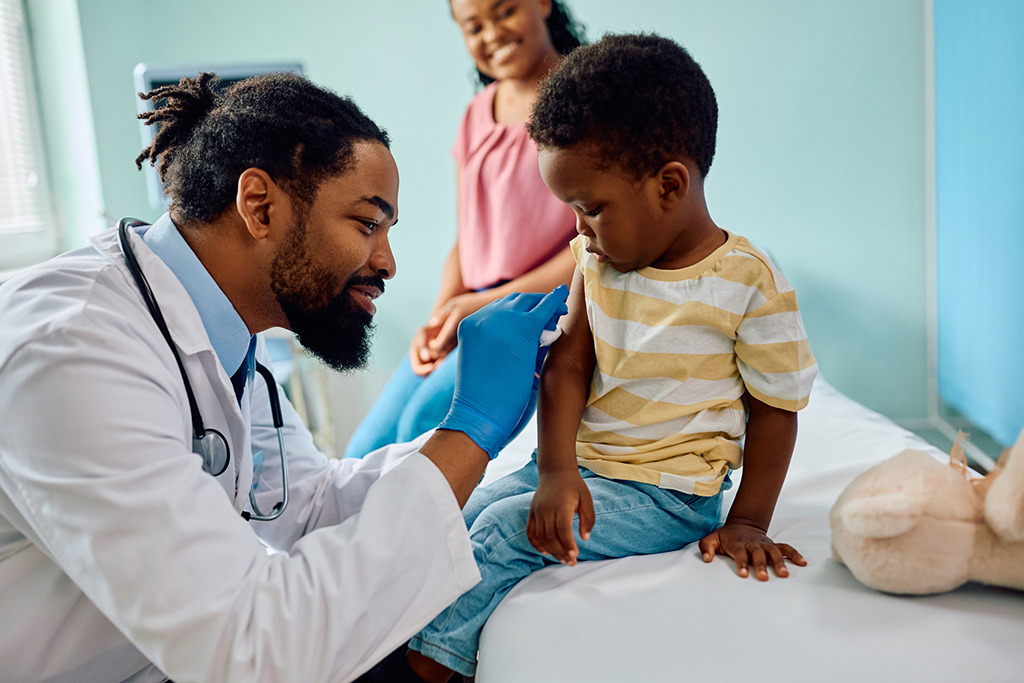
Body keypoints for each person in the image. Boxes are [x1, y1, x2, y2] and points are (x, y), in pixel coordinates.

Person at [0, 71, 568, 683]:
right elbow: (250, 650)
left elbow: (313, 504)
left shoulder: (224, 337)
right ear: (260, 206)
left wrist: (514, 465)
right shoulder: (74, 349)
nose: (387, 263)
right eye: (365, 224)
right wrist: (470, 429)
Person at [359, 33, 819, 682]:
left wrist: (746, 519)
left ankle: (426, 669)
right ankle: (375, 631)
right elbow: (568, 367)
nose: (578, 230)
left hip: (665, 496)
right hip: (584, 468)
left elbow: (777, 408)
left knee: (505, 533)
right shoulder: (595, 264)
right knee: (460, 515)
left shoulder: (748, 281)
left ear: (669, 185)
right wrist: (554, 472)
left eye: (591, 209)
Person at [344, 0, 585, 458]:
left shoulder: (583, 103)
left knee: (421, 430)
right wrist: (440, 318)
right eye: (474, 26)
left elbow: (590, 246)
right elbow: (467, 238)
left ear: (542, 3)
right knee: (363, 449)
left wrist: (480, 304)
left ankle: (413, 530)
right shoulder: (477, 114)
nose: (492, 33)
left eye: (505, 11)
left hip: (536, 308)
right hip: (473, 307)